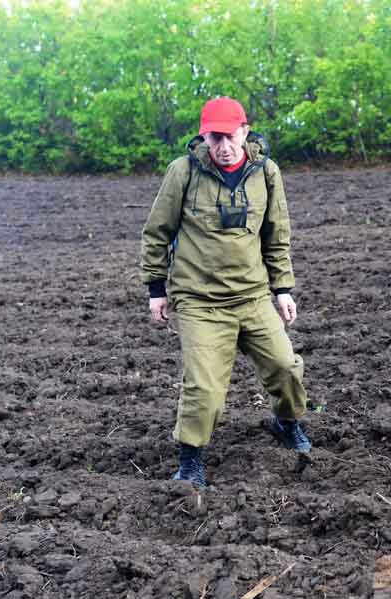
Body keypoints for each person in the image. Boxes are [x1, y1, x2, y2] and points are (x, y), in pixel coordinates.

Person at [140, 96, 311, 487]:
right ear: (204, 137)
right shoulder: (182, 172)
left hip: (252, 296)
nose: (223, 145)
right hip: (199, 301)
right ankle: (190, 462)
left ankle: (286, 424)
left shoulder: (266, 172)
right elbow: (156, 232)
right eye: (214, 137)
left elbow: (276, 235)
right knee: (204, 386)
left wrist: (282, 288)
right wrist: (156, 288)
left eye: (229, 136)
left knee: (285, 366)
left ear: (245, 132)